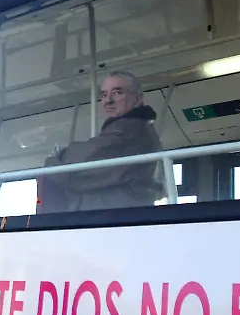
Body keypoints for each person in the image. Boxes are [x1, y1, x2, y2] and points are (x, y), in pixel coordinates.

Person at [38, 72, 163, 213]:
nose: (108, 100)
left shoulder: (129, 131)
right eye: (104, 95)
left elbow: (79, 162)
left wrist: (55, 159)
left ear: (138, 98)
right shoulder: (139, 128)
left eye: (117, 92)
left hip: (113, 218)